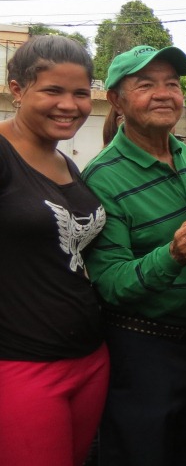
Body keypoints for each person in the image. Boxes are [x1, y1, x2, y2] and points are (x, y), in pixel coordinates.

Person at [81, 45, 186, 465]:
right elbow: (110, 283)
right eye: (146, 85)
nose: (164, 94)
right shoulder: (102, 177)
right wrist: (172, 254)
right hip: (143, 352)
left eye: (171, 84)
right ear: (117, 100)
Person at [0, 35, 108, 466]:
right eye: (53, 91)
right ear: (17, 90)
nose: (70, 105)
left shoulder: (66, 162)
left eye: (80, 93)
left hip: (90, 361)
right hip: (21, 367)